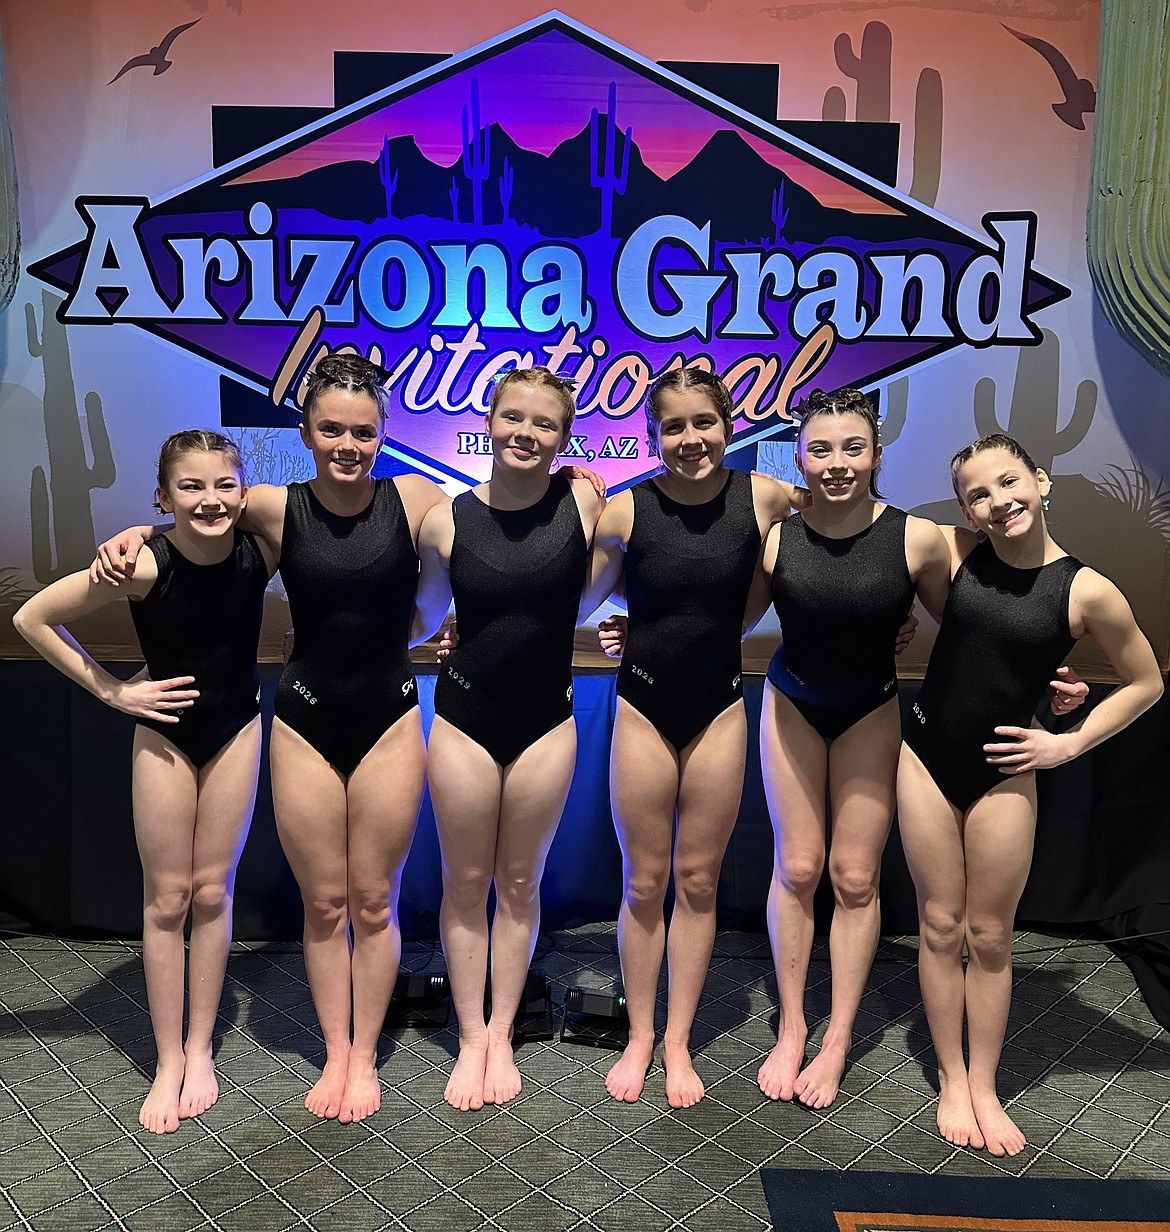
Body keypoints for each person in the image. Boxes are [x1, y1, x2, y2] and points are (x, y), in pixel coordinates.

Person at [92, 355, 448, 1123]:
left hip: (389, 716)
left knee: (373, 901)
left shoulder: (415, 497)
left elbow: (488, 522)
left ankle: (363, 1059)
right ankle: (333, 1046)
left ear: (384, 433)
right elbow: (195, 511)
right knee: (324, 903)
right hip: (305, 716)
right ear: (306, 431)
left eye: (363, 431)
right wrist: (132, 533)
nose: (347, 445)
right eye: (331, 430)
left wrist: (575, 487)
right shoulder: (272, 507)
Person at [752, 390, 1088, 1109]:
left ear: (876, 453)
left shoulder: (917, 538)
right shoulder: (776, 530)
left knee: (852, 876)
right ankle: (791, 1028)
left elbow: (982, 622)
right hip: (790, 705)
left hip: (871, 709)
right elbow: (715, 605)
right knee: (799, 864)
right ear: (799, 456)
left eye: (853, 448)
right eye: (820, 449)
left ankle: (837, 1038)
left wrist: (1050, 678)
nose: (837, 464)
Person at [898, 432, 1162, 1157]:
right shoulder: (955, 552)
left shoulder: (1088, 591)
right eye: (977, 494)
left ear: (1042, 482)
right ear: (965, 509)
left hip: (1006, 774)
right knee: (939, 925)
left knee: (989, 936)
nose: (997, 502)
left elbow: (1146, 682)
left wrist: (1068, 743)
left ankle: (984, 1083)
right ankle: (951, 1077)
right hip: (923, 757)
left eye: (1009, 483)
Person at [16, 430, 273, 1134]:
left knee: (212, 893)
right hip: (163, 735)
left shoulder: (262, 551)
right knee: (166, 899)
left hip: (237, 729)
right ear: (164, 496)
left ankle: (201, 1047)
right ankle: (166, 1057)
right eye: (190, 487)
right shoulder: (141, 565)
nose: (210, 499)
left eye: (224, 485)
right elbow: (32, 617)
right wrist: (110, 692)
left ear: (243, 491)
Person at [585, 366, 801, 1108]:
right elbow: (547, 586)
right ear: (649, 437)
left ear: (729, 424)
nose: (689, 440)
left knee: (699, 882)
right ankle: (641, 1034)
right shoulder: (624, 510)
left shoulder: (765, 497)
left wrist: (893, 616)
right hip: (642, 706)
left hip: (718, 706)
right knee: (645, 881)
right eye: (671, 427)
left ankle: (678, 1040)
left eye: (702, 423)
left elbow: (849, 543)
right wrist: (452, 629)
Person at [414, 367, 603, 1111]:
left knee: (521, 883)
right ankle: (470, 1036)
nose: (528, 433)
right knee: (465, 883)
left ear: (565, 437)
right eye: (514, 418)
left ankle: (500, 1028)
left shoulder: (586, 500)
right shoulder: (444, 520)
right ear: (488, 421)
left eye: (546, 424)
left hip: (546, 724)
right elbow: (423, 617)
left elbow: (646, 569)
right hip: (462, 721)